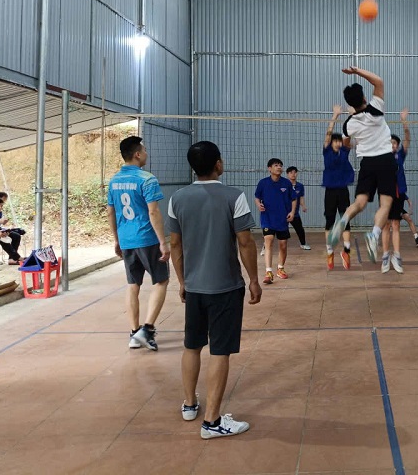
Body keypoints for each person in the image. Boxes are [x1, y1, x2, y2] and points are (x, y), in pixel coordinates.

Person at [167, 141, 262, 439]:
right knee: (220, 351)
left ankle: (189, 405)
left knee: (192, 345)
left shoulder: (177, 198)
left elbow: (175, 245)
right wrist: (254, 279)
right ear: (218, 164)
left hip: (194, 287)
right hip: (225, 287)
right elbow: (245, 242)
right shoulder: (234, 196)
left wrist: (183, 281)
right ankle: (212, 422)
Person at [327, 67, 397, 263]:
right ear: (365, 97)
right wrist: (356, 71)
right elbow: (379, 81)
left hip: (367, 163)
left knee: (359, 203)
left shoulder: (348, 124)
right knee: (386, 203)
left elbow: (346, 144)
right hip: (385, 160)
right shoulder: (376, 109)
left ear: (350, 104)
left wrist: (353, 119)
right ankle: (374, 235)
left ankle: (342, 221)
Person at [107, 136, 170, 351]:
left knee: (133, 285)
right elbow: (153, 212)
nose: (146, 153)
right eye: (144, 150)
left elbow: (110, 212)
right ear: (137, 154)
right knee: (161, 281)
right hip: (147, 238)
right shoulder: (147, 179)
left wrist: (117, 239)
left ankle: (134, 333)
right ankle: (147, 329)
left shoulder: (114, 181)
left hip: (127, 240)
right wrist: (162, 242)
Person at [322, 106, 355, 270]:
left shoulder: (344, 152)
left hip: (343, 190)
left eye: (338, 141)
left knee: (345, 220)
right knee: (329, 221)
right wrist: (335, 116)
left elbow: (348, 135)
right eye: (335, 141)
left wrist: (351, 116)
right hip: (330, 191)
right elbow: (328, 134)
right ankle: (330, 253)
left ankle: (346, 251)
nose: (336, 143)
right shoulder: (327, 151)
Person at [255, 158, 296, 284]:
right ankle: (268, 272)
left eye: (280, 165)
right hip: (267, 218)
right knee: (269, 240)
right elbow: (257, 197)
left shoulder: (286, 183)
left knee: (283, 245)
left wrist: (292, 212)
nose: (279, 167)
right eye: (276, 165)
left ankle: (280, 269)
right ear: (269, 168)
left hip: (282, 219)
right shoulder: (263, 183)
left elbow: (294, 199)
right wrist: (258, 205)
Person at [381, 108, 411, 274]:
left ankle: (397, 256)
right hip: (385, 195)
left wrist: (404, 121)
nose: (392, 145)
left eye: (395, 143)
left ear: (397, 146)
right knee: (386, 225)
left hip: (398, 194)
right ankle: (386, 256)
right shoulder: (381, 156)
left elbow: (407, 138)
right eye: (390, 142)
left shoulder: (400, 155)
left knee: (396, 224)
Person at [0, 192, 23, 266]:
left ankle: (15, 258)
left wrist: (2, 233)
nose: (0, 208)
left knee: (4, 239)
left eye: (1, 206)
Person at [286, 167, 310, 251]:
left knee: (300, 229)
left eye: (295, 172)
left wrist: (303, 206)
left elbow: (301, 197)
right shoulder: (284, 185)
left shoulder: (300, 186)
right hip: (283, 212)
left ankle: (303, 244)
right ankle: (265, 246)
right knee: (275, 230)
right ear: (287, 174)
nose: (293, 174)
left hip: (294, 213)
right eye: (291, 172)